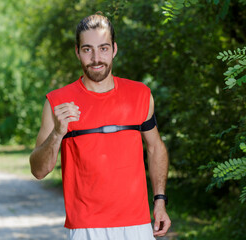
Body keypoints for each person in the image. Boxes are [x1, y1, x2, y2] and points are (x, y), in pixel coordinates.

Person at [29, 13, 171, 240]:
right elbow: (38, 170)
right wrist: (57, 133)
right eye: (87, 49)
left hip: (137, 224)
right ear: (77, 52)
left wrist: (160, 201)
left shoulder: (140, 95)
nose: (96, 58)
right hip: (86, 227)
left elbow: (155, 148)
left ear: (114, 49)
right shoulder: (57, 101)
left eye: (103, 48)